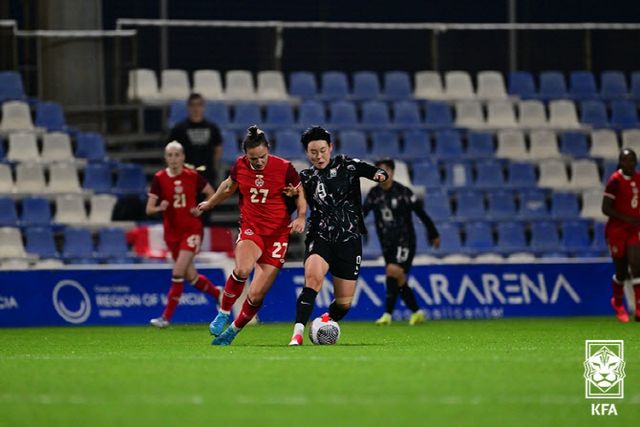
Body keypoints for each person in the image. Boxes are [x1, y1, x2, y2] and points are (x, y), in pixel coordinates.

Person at [198, 126, 307, 345]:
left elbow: (300, 193)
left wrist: (301, 216)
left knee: (256, 295)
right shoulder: (240, 165)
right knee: (242, 269)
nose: (258, 162)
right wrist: (211, 203)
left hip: (277, 235)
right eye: (253, 158)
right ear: (246, 155)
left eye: (262, 157)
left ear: (268, 149)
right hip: (252, 228)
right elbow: (229, 186)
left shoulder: (284, 168)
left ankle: (233, 331)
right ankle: (223, 312)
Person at [289, 126, 388, 346]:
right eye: (313, 152)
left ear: (330, 148)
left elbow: (372, 171)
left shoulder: (347, 165)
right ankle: (297, 334)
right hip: (320, 236)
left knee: (344, 304)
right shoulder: (305, 177)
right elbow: (296, 203)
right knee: (313, 278)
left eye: (322, 150)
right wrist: (296, 209)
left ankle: (323, 321)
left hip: (349, 240)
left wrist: (379, 175)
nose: (319, 156)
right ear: (307, 153)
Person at [147, 141, 221, 328]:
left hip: (192, 229)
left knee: (178, 271)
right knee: (191, 277)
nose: (173, 159)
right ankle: (218, 294)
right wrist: (159, 207)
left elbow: (211, 194)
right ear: (166, 158)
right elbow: (149, 209)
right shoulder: (159, 178)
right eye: (170, 155)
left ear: (183, 157)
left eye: (176, 155)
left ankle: (165, 318)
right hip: (172, 234)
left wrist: (201, 209)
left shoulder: (192, 175)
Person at [363, 158, 440, 326]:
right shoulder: (374, 194)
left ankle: (387, 315)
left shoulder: (403, 192)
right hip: (387, 243)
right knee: (398, 277)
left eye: (386, 170)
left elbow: (421, 213)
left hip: (405, 241)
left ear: (392, 172)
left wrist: (433, 233)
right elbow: (363, 213)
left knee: (392, 270)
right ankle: (417, 312)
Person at [602, 148, 640, 323]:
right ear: (620, 162)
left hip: (634, 230)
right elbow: (605, 208)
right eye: (625, 160)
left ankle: (638, 308)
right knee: (622, 272)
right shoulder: (615, 181)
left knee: (636, 265)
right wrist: (627, 218)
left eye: (632, 160)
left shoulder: (639, 179)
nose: (629, 163)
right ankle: (617, 302)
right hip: (617, 230)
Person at [168, 93, 222, 186]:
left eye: (199, 105)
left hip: (207, 175)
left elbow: (218, 149)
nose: (196, 108)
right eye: (193, 105)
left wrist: (212, 166)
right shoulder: (178, 129)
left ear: (203, 107)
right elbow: (171, 151)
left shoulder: (212, 128)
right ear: (188, 107)